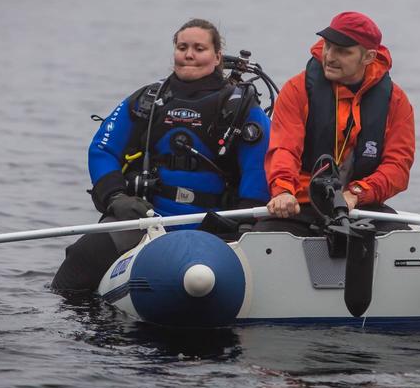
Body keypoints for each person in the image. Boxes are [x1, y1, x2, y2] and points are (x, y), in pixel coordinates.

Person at [52, 19, 271, 292]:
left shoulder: (241, 109)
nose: (189, 54)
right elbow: (102, 149)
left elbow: (258, 169)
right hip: (146, 220)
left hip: (217, 228)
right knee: (79, 263)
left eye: (199, 48)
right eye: (182, 47)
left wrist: (242, 223)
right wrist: (116, 198)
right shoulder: (148, 100)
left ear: (216, 57)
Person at [256, 11, 415, 236]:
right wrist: (283, 191)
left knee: (403, 241)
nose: (330, 56)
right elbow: (284, 149)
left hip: (359, 204)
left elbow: (398, 166)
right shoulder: (296, 89)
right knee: (266, 237)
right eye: (328, 46)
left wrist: (358, 193)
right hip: (301, 202)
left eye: (342, 51)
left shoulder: (396, 101)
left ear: (368, 57)